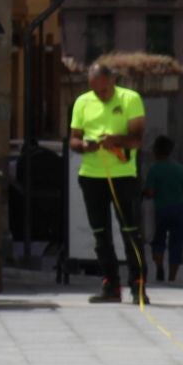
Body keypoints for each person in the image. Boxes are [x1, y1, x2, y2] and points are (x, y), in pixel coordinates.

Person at [68, 61, 149, 305]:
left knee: (131, 232)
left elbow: (137, 140)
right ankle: (110, 285)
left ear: (112, 81)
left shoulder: (130, 99)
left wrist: (116, 140)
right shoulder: (82, 102)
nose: (100, 95)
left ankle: (138, 286)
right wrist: (84, 146)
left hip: (123, 176)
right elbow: (73, 139)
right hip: (92, 176)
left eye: (103, 90)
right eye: (95, 90)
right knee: (100, 234)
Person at [142, 135, 183, 284]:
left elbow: (150, 192)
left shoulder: (154, 169)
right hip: (180, 210)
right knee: (177, 243)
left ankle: (159, 266)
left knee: (158, 241)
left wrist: (142, 192)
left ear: (156, 151)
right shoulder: (179, 169)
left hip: (161, 210)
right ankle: (172, 278)